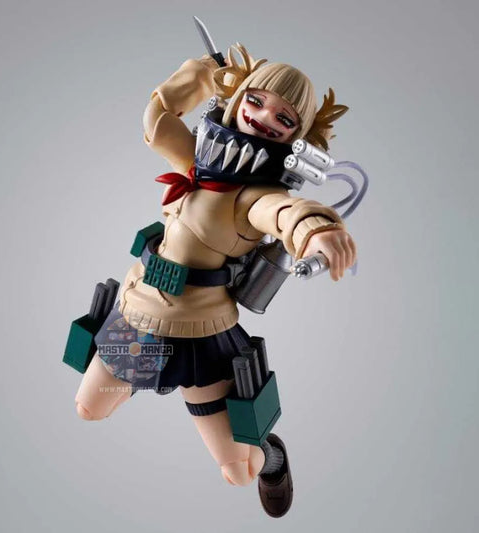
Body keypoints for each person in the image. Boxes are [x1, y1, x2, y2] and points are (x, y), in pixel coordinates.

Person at [74, 44, 357, 518]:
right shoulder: (196, 159)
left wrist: (317, 230)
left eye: (283, 118)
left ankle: (274, 459)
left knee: (238, 470)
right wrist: (204, 72)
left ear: (298, 136)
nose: (263, 118)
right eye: (256, 101)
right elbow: (158, 120)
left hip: (200, 334)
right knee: (89, 408)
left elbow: (286, 212)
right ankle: (144, 370)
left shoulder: (255, 196)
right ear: (239, 96)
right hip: (142, 312)